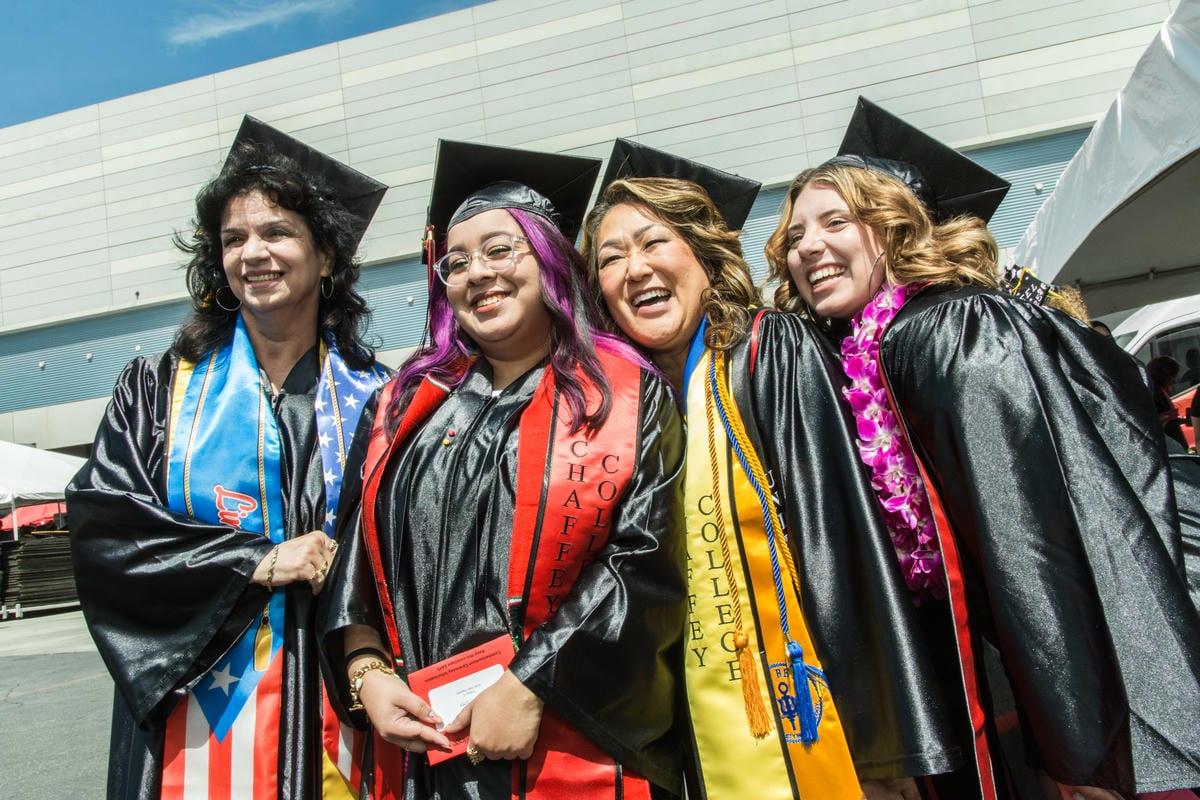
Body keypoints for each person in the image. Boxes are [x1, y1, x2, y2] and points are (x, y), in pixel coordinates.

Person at [765, 97, 1200, 799]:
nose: (806, 245)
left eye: (835, 221)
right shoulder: (870, 347)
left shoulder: (948, 330)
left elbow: (1036, 541)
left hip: (1085, 675)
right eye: (794, 234)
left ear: (895, 227)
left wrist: (1082, 752)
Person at [580, 139, 961, 800]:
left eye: (653, 243)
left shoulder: (768, 351)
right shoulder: (623, 411)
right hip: (701, 737)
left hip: (820, 725)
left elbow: (840, 543)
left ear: (703, 256)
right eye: (611, 259)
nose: (633, 268)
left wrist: (877, 746)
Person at [317, 140, 686, 800]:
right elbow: (355, 557)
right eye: (456, 264)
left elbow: (645, 564)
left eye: (498, 250)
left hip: (567, 743)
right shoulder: (400, 409)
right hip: (424, 748)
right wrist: (366, 671)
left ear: (547, 262)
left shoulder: (623, 396)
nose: (476, 274)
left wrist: (531, 685)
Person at [67, 117, 390, 799]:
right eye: (234, 239)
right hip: (200, 714)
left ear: (326, 257)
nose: (254, 253)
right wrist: (254, 561)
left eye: (277, 232)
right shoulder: (160, 392)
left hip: (339, 702)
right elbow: (107, 530)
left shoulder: (379, 402)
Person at [1148, 355, 1188, 448]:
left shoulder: (1155, 391)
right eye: (1173, 376)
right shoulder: (1157, 395)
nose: (1174, 381)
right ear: (1166, 375)